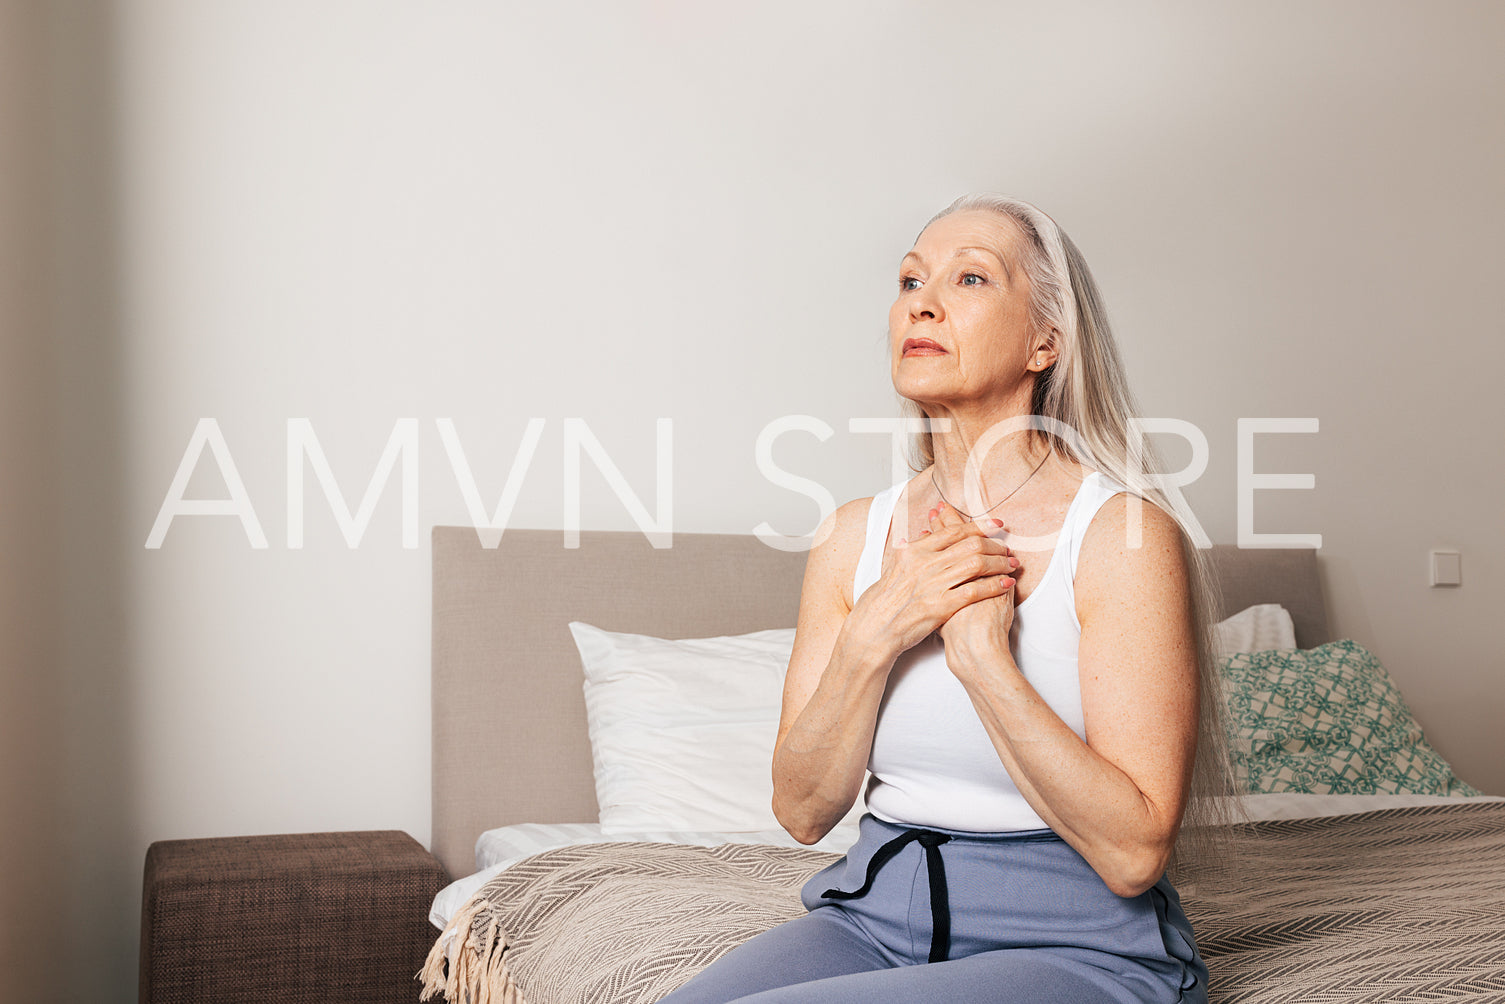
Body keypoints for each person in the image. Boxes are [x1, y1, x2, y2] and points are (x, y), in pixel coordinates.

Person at [657, 194, 1234, 1004]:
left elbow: (1133, 852)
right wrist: (878, 629)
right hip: (872, 921)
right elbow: (801, 810)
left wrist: (978, 657)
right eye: (908, 280)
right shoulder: (851, 537)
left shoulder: (1119, 537)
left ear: (1046, 342)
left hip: (1078, 949)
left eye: (969, 278)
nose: (919, 302)